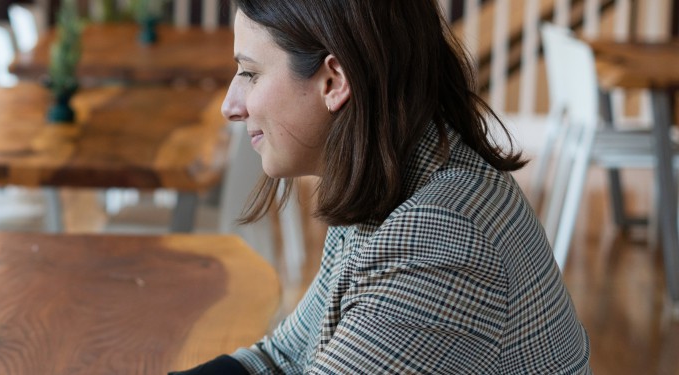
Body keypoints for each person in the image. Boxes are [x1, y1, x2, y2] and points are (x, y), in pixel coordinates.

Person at [171, 1, 590, 374]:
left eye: (250, 73)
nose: (231, 105)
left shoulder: (441, 237)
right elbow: (283, 357)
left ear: (334, 81)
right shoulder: (388, 178)